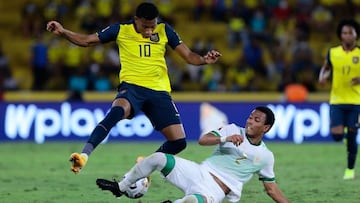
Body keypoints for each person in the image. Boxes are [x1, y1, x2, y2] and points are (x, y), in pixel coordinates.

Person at [46, 2, 222, 174]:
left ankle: (144, 166)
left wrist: (204, 60)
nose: (149, 31)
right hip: (132, 87)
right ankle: (83, 155)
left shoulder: (164, 30)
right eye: (145, 26)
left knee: (179, 142)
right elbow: (87, 40)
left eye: (152, 26)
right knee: (116, 112)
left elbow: (189, 56)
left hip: (159, 91)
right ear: (136, 19)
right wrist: (63, 32)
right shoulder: (121, 29)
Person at [96, 106, 291, 203]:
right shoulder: (232, 129)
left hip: (215, 191)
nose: (250, 121)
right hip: (198, 172)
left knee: (192, 202)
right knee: (158, 158)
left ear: (265, 127)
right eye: (250, 117)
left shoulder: (266, 156)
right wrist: (225, 139)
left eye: (256, 120)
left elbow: (271, 189)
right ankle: (120, 187)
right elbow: (203, 140)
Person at [318, 19, 360, 180]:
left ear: (356, 34)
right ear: (340, 35)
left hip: (356, 102)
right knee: (336, 135)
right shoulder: (333, 52)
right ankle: (343, 136)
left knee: (352, 136)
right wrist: (323, 77)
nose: (348, 36)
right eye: (344, 33)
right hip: (337, 100)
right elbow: (326, 68)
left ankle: (350, 170)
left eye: (350, 32)